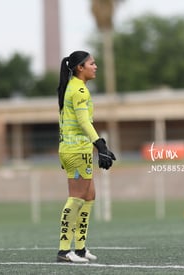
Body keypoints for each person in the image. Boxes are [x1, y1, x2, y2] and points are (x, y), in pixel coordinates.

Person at [56, 50, 116, 263]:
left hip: (75, 149)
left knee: (89, 197)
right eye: (92, 63)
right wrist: (100, 145)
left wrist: (100, 147)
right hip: (76, 150)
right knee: (77, 198)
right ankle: (64, 250)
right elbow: (83, 121)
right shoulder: (79, 90)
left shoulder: (72, 87)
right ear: (80, 68)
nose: (95, 66)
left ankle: (80, 248)